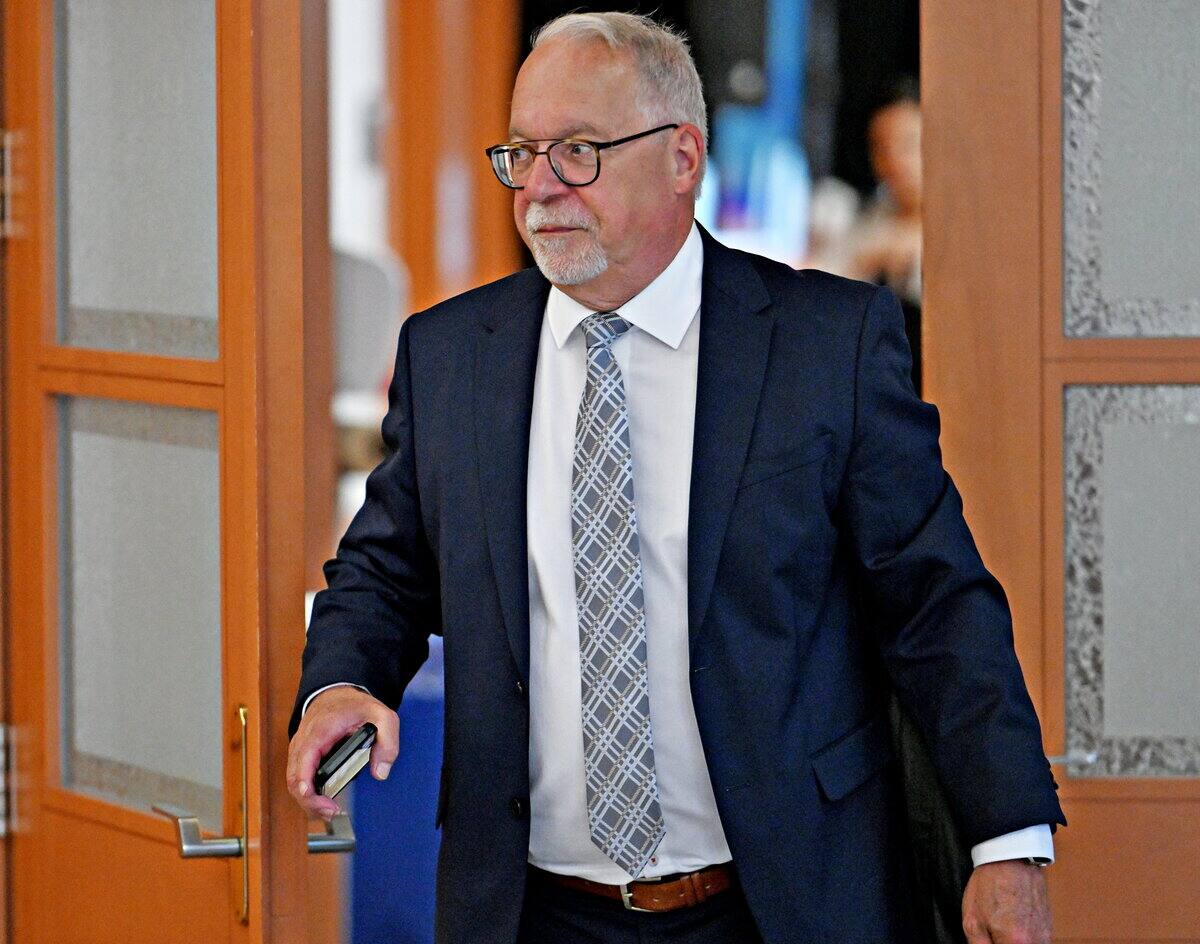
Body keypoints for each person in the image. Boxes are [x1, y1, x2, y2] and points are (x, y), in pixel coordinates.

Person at [286, 12, 1064, 944]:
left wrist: (1006, 840)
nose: (538, 188)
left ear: (683, 157)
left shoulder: (827, 346)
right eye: (522, 152)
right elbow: (384, 570)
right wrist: (338, 682)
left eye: (577, 151)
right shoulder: (452, 354)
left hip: (778, 902)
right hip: (531, 909)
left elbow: (938, 604)